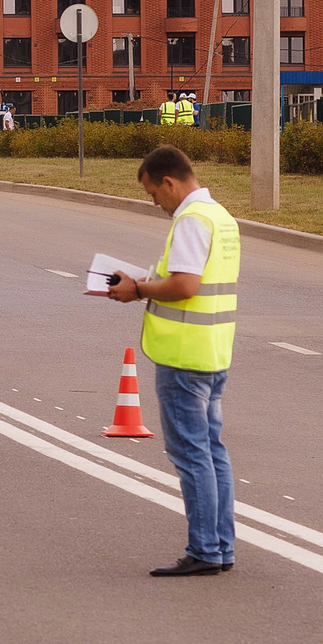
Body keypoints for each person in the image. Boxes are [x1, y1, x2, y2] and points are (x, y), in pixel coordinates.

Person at [106, 145, 242, 577]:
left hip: (184, 354)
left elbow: (185, 285)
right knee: (212, 452)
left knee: (191, 454)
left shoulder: (190, 220)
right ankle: (220, 546)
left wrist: (139, 290)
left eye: (152, 194)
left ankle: (204, 549)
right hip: (213, 350)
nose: (154, 204)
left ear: (168, 182)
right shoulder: (219, 216)